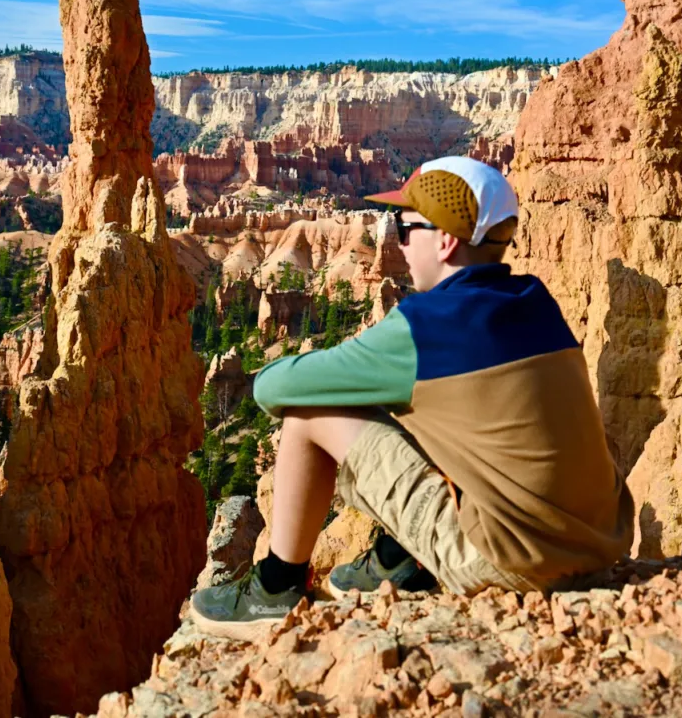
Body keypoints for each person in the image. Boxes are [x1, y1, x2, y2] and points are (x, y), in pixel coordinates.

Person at [191, 156, 633, 638]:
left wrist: (330, 367)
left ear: (444, 240)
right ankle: (398, 560)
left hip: (515, 562)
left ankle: (275, 591)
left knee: (307, 413)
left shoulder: (427, 327)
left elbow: (273, 389)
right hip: (600, 543)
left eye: (405, 226)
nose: (398, 241)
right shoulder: (534, 299)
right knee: (429, 413)